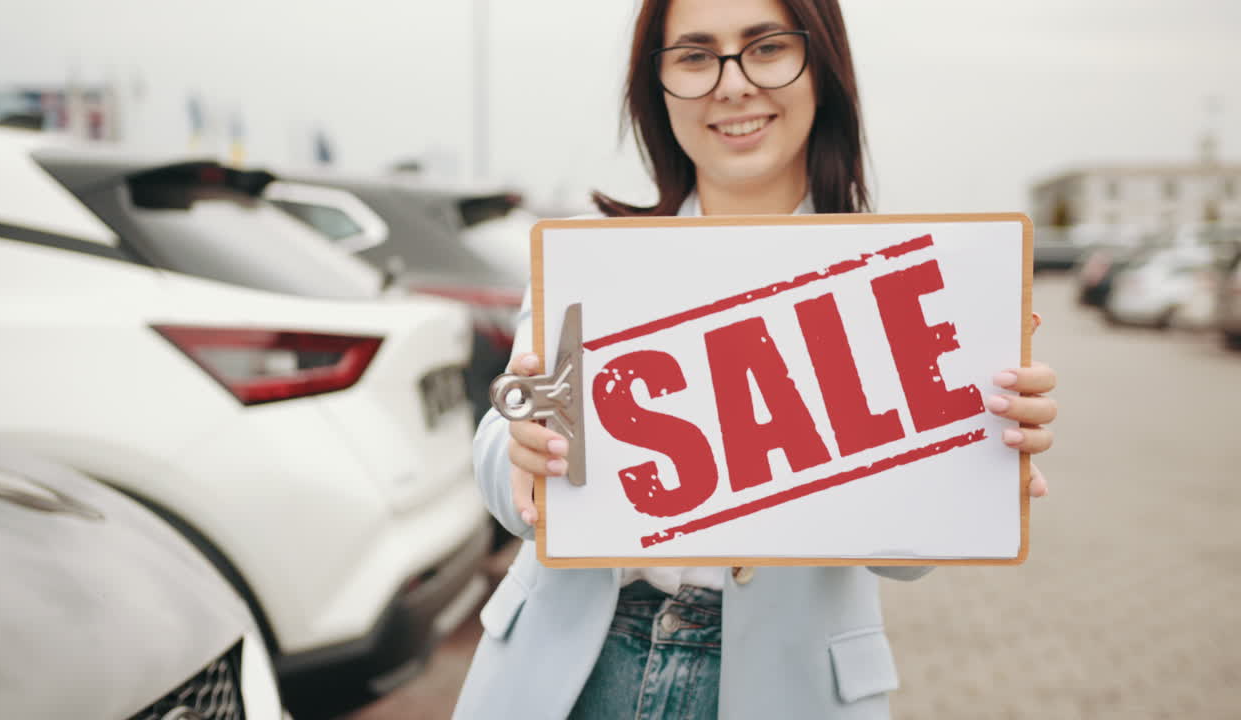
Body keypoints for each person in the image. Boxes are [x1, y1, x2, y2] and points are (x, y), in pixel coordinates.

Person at [453, 0, 1058, 717]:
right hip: (568, 674)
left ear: (823, 68)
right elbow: (505, 469)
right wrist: (520, 454)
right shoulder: (593, 255)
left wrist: (979, 450)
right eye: (695, 55)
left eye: (767, 47)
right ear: (659, 87)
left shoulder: (894, 277)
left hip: (786, 682)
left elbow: (909, 556)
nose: (732, 83)